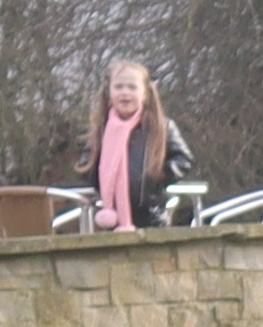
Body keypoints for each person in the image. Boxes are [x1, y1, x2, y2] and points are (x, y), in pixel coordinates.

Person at [80, 58, 194, 231]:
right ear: (110, 93)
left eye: (132, 87)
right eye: (119, 87)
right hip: (113, 217)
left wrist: (158, 176)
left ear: (145, 93)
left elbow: (184, 159)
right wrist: (100, 176)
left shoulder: (161, 126)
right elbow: (86, 162)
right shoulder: (102, 130)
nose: (125, 92)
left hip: (152, 215)